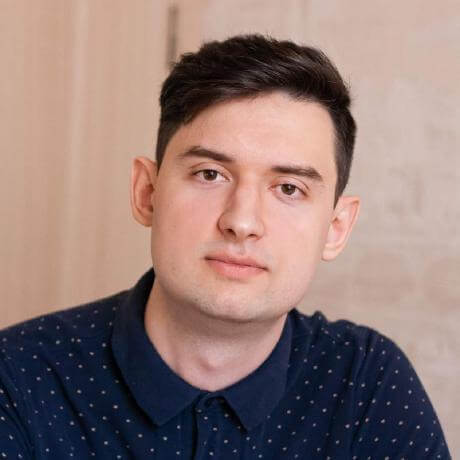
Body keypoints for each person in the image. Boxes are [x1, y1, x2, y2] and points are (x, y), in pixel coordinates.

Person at [0, 34, 451, 459]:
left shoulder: (369, 384)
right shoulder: (17, 377)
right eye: (210, 174)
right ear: (147, 193)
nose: (241, 222)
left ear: (336, 228)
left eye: (289, 188)